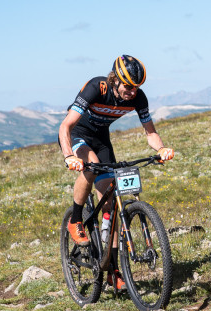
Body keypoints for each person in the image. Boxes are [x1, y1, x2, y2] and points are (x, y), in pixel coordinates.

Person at [58, 55, 174, 289]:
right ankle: (76, 220)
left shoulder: (138, 98)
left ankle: (111, 268)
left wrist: (161, 148)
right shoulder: (96, 88)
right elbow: (66, 125)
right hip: (78, 135)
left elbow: (150, 132)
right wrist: (69, 155)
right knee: (90, 166)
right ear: (115, 80)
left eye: (137, 88)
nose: (132, 92)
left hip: (102, 140)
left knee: (111, 203)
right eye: (128, 87)